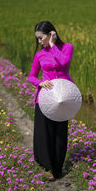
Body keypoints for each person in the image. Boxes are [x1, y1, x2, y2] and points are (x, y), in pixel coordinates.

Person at [28, 20, 74, 181]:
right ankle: (48, 167)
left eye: (41, 38)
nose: (39, 42)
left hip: (63, 97)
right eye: (37, 39)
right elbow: (31, 76)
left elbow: (64, 62)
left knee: (60, 133)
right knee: (45, 133)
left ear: (51, 34)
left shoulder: (67, 48)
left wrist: (53, 45)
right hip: (45, 98)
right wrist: (39, 82)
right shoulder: (39, 54)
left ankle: (57, 169)